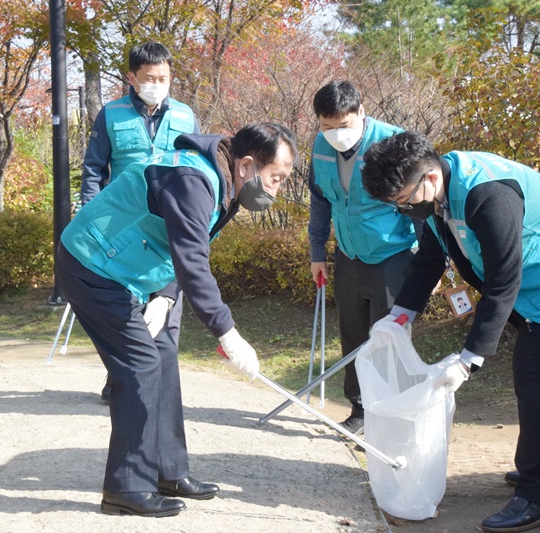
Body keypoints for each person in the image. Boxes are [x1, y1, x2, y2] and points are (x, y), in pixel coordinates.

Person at [361, 131, 540, 533]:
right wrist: (400, 315)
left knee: (536, 373)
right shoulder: (438, 196)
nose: (403, 208)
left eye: (403, 199)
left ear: (429, 178)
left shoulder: (487, 195)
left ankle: (537, 495)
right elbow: (430, 257)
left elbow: (503, 282)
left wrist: (469, 358)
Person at [56, 123, 297, 517]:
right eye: (275, 178)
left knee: (163, 357)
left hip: (137, 274)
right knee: (140, 366)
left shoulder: (225, 183)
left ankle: (168, 469)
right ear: (248, 165)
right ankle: (127, 488)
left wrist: (165, 297)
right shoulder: (192, 179)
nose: (276, 189)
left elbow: (180, 246)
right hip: (94, 265)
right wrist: (228, 332)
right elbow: (193, 263)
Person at [80, 41, 201, 401]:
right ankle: (119, 377)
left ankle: (161, 381)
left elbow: (197, 165)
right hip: (122, 222)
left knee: (164, 296)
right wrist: (90, 213)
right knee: (122, 302)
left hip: (168, 220)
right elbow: (93, 170)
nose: (156, 83)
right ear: (132, 78)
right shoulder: (111, 113)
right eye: (149, 78)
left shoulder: (185, 115)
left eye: (163, 77)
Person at [308, 81, 417, 434]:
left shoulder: (392, 144)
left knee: (388, 338)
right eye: (327, 126)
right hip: (348, 253)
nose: (335, 134)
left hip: (393, 254)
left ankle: (391, 414)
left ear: (361, 113)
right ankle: (360, 410)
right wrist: (317, 252)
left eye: (344, 125)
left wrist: (423, 259)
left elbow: (417, 203)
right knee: (353, 335)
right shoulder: (321, 147)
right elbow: (321, 199)